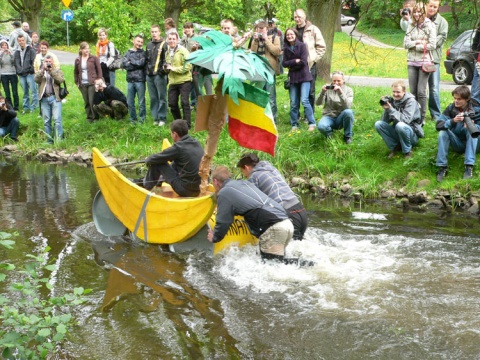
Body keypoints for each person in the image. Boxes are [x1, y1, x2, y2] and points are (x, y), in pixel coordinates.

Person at [207, 166, 294, 262]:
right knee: (279, 264)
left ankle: (312, 266)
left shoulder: (224, 192)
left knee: (272, 266)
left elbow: (223, 221)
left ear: (215, 181)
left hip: (273, 227)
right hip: (286, 222)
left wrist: (215, 237)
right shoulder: (244, 183)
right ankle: (310, 267)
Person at [237, 153, 308, 240]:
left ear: (247, 167)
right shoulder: (272, 170)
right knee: (297, 246)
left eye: (242, 171)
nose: (244, 175)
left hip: (286, 214)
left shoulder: (254, 176)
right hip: (300, 211)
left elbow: (249, 202)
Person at [137, 119, 204, 196]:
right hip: (199, 188)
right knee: (176, 161)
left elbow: (152, 159)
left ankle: (146, 187)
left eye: (171, 134)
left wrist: (147, 159)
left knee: (158, 162)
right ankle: (158, 181)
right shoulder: (196, 143)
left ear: (175, 134)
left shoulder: (178, 147)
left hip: (186, 191)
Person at [435, 86, 480, 182]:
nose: (456, 101)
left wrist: (472, 125)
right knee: (443, 132)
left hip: (475, 143)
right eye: (454, 98)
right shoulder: (451, 108)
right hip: (458, 143)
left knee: (471, 129)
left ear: (467, 99)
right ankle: (442, 167)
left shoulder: (477, 108)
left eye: (459, 99)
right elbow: (438, 125)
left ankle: (469, 167)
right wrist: (452, 121)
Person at [403, 2, 437, 124]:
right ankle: (414, 115)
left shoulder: (430, 25)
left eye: (419, 12)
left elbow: (432, 45)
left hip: (425, 62)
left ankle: (422, 118)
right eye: (415, 12)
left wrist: (416, 46)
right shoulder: (411, 25)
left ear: (423, 12)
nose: (417, 14)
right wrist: (418, 42)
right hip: (412, 61)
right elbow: (405, 43)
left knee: (421, 92)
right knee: (412, 92)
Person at [375, 80, 423, 159]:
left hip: (412, 134)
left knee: (400, 125)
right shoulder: (393, 101)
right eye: (393, 92)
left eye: (398, 92)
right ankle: (394, 147)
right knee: (378, 124)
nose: (395, 94)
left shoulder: (411, 102)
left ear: (404, 91)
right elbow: (384, 121)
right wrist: (387, 109)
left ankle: (407, 151)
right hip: (398, 132)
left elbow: (405, 120)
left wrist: (391, 109)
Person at [282, 28, 316, 131]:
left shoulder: (302, 45)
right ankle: (294, 124)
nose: (289, 36)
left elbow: (303, 62)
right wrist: (294, 61)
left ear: (295, 35)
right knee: (293, 102)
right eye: (287, 35)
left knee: (305, 100)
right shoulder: (286, 47)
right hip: (293, 78)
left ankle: (312, 123)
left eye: (291, 34)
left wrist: (292, 65)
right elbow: (284, 63)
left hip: (304, 76)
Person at [294, 8, 326, 113]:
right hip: (296, 66)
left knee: (310, 91)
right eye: (295, 17)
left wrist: (314, 59)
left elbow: (321, 47)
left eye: (299, 17)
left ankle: (309, 114)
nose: (297, 19)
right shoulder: (293, 30)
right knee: (297, 90)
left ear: (304, 17)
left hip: (310, 65)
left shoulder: (313, 29)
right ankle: (296, 114)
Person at [249, 21, 281, 123]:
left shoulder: (274, 38)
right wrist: (255, 40)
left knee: (271, 96)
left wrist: (266, 39)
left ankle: (273, 121)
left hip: (269, 70)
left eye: (263, 32)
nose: (261, 33)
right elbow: (251, 53)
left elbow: (276, 51)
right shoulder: (254, 39)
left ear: (267, 30)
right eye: (259, 31)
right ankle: (260, 119)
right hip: (258, 71)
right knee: (259, 94)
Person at [316, 70, 355, 143]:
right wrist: (322, 92)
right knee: (321, 126)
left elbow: (348, 106)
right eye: (334, 81)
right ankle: (330, 135)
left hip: (341, 117)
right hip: (328, 116)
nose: (336, 83)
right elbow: (318, 103)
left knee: (349, 112)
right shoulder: (328, 88)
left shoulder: (349, 90)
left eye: (338, 81)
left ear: (343, 80)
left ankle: (347, 136)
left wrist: (340, 93)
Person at [425, 0, 448, 121]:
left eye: (435, 7)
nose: (432, 8)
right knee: (420, 88)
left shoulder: (442, 22)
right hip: (420, 59)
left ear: (438, 8)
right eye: (430, 6)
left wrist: (426, 42)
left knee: (433, 87)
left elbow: (441, 38)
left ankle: (436, 114)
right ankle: (418, 112)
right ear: (426, 6)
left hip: (434, 59)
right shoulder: (420, 18)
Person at [34, 55, 65, 144]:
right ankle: (49, 141)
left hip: (55, 98)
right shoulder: (41, 71)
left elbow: (60, 80)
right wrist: (43, 71)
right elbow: (36, 79)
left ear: (52, 62)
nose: (48, 63)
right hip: (44, 99)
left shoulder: (57, 70)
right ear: (43, 62)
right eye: (46, 61)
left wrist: (51, 71)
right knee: (47, 121)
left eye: (49, 61)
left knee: (57, 120)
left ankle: (59, 140)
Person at [165, 31, 193, 128]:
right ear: (167, 40)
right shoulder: (167, 52)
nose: (172, 41)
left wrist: (174, 69)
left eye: (173, 39)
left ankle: (187, 125)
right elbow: (168, 65)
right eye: (170, 39)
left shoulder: (183, 51)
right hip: (173, 81)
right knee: (172, 103)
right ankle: (178, 123)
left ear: (177, 40)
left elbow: (188, 66)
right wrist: (166, 68)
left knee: (184, 102)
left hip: (184, 80)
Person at [145, 24, 168, 126]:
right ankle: (155, 117)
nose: (154, 34)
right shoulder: (149, 45)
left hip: (160, 75)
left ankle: (162, 118)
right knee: (153, 97)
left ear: (160, 32)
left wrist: (161, 71)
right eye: (152, 32)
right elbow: (147, 59)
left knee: (161, 97)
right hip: (149, 75)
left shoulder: (164, 44)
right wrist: (147, 71)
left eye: (156, 32)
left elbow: (166, 60)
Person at [74, 42, 102, 123]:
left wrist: (99, 79)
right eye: (85, 48)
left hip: (92, 83)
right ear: (81, 50)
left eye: (88, 48)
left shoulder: (94, 58)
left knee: (92, 101)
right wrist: (76, 81)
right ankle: (89, 117)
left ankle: (95, 117)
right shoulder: (78, 59)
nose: (87, 50)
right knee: (86, 101)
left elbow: (99, 70)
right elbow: (75, 71)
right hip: (82, 84)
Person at [123, 34, 147, 125]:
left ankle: (142, 119)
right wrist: (133, 64)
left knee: (141, 102)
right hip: (130, 80)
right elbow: (124, 64)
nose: (139, 43)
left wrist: (131, 62)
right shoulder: (128, 52)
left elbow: (141, 63)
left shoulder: (143, 53)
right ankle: (133, 119)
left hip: (140, 80)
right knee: (130, 102)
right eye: (138, 41)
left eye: (141, 42)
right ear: (133, 41)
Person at [14, 34, 38, 114]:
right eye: (19, 41)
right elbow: (16, 63)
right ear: (18, 41)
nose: (21, 42)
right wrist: (19, 71)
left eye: (22, 40)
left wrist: (28, 70)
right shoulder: (17, 52)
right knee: (25, 92)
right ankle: (26, 107)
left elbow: (33, 62)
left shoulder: (31, 50)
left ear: (25, 40)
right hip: (21, 75)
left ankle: (34, 107)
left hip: (30, 74)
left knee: (33, 91)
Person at [0, 40, 19, 111]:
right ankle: (10, 106)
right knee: (7, 92)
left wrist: (10, 54)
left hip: (12, 73)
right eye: (3, 46)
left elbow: (14, 62)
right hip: (4, 74)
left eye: (5, 45)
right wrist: (1, 54)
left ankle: (16, 107)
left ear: (7, 46)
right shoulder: (0, 53)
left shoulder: (11, 52)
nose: (4, 47)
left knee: (14, 91)